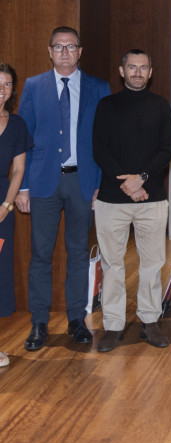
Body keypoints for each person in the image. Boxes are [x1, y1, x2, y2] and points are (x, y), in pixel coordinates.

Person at [16, 27, 111, 351]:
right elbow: (23, 138)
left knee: (78, 253)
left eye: (71, 46)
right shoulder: (34, 86)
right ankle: (39, 322)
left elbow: (105, 139)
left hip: (83, 181)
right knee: (40, 254)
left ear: (80, 51)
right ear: (50, 51)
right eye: (59, 47)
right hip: (42, 181)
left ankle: (76, 319)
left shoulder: (99, 87)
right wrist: (22, 186)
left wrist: (100, 184)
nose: (65, 52)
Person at [92, 50, 171, 352]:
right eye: (132, 67)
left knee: (153, 263)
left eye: (143, 67)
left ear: (150, 72)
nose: (137, 72)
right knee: (113, 265)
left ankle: (150, 321)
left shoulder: (161, 106)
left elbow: (167, 149)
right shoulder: (106, 105)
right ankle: (113, 326)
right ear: (121, 71)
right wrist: (128, 184)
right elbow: (100, 150)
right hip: (111, 200)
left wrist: (141, 178)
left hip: (152, 199)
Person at [0, 63, 33, 367]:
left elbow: (19, 170)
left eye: (8, 84)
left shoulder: (17, 124)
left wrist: (6, 205)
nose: (2, 90)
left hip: (2, 207)